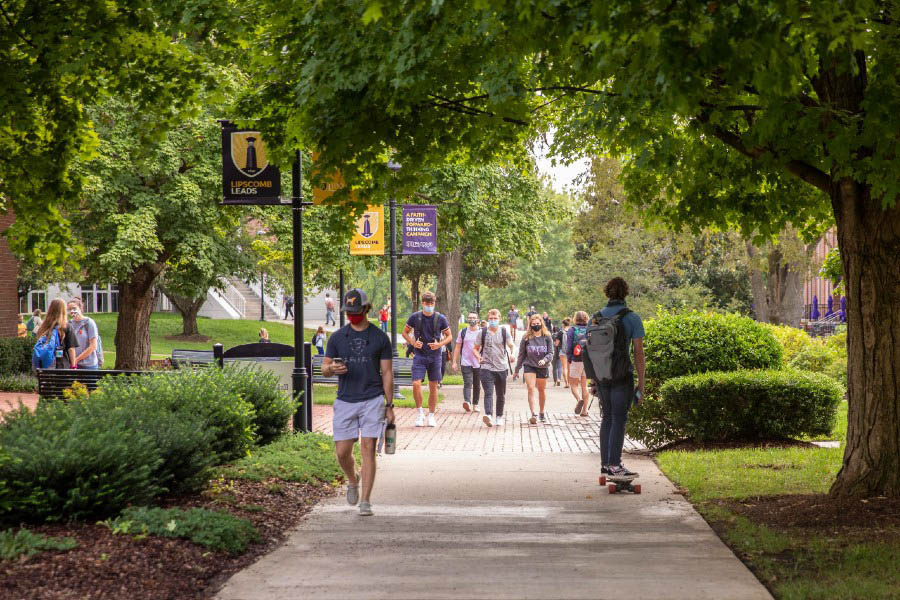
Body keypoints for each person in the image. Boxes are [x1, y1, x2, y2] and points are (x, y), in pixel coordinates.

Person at [322, 288, 394, 516]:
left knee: (368, 448)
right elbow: (324, 368)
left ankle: (366, 501)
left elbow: (387, 372)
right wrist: (332, 369)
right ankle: (352, 480)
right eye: (348, 311)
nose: (352, 315)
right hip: (345, 399)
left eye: (356, 311)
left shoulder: (380, 338)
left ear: (365, 309)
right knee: (343, 451)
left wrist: (389, 405)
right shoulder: (337, 337)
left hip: (372, 399)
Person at [593, 277, 646, 478]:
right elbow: (638, 353)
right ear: (625, 293)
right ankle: (615, 465)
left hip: (602, 376)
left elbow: (591, 352)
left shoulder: (596, 318)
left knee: (607, 417)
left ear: (607, 293)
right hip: (622, 376)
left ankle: (606, 465)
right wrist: (641, 383)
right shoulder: (631, 318)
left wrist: (593, 381)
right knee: (618, 418)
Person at [402, 291, 451, 427]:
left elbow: (449, 336)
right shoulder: (415, 317)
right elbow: (404, 332)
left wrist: (439, 344)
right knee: (416, 384)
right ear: (422, 303)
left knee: (433, 386)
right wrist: (412, 342)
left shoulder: (440, 318)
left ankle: (431, 415)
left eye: (431, 303)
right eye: (426, 303)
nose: (429, 306)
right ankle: (419, 413)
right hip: (419, 355)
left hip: (435, 356)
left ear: (434, 303)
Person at [472, 308, 514, 427]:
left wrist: (512, 354)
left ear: (499, 319)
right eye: (491, 318)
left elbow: (512, 346)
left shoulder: (505, 332)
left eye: (495, 318)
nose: (493, 320)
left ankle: (499, 416)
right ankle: (489, 415)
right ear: (488, 319)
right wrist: (478, 357)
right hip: (486, 367)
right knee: (488, 392)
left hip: (501, 367)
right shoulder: (483, 332)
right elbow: (475, 348)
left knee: (500, 394)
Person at [514, 314, 554, 424]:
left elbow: (551, 353)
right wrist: (517, 370)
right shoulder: (526, 337)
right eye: (533, 324)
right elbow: (521, 355)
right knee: (531, 388)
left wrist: (545, 360)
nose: (536, 325)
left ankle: (541, 412)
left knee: (541, 390)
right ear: (530, 325)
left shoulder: (547, 337)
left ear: (541, 323)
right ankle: (533, 414)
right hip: (529, 365)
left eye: (538, 323)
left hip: (542, 366)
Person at [452, 312, 482, 413]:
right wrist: (454, 362)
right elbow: (457, 347)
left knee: (477, 384)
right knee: (468, 382)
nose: (471, 319)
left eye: (474, 318)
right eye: (469, 318)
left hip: (478, 362)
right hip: (465, 361)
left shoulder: (482, 332)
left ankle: (476, 404)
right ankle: (467, 402)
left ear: (478, 320)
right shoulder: (463, 332)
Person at [33, 298, 77, 369]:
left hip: (44, 367)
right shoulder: (66, 326)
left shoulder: (43, 326)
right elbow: (71, 349)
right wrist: (73, 365)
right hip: (62, 367)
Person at [566, 311, 591, 416]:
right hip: (588, 360)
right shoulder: (590, 329)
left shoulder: (572, 330)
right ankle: (585, 411)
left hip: (576, 359)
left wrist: (569, 358)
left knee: (573, 384)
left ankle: (579, 399)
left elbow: (569, 346)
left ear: (575, 319)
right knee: (584, 386)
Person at [67, 298, 101, 369]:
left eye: (74, 308)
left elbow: (93, 346)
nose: (72, 311)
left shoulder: (89, 323)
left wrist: (77, 359)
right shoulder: (69, 324)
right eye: (69, 309)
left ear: (80, 308)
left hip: (88, 365)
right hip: (72, 364)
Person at [559, 318, 571, 388]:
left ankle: (567, 384)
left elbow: (556, 343)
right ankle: (570, 383)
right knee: (569, 368)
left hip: (562, 351)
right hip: (570, 351)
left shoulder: (560, 332)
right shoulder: (571, 331)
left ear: (563, 324)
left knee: (564, 368)